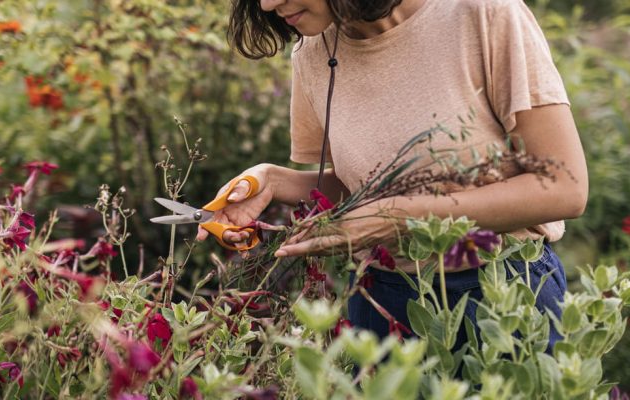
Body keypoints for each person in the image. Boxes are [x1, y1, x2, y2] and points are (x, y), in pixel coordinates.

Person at [197, 0, 588, 350]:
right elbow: (363, 186)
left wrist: (401, 217)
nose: (267, 4)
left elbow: (564, 188)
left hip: (502, 297)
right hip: (381, 303)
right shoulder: (314, 51)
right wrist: (274, 182)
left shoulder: (483, 13)